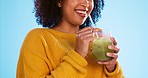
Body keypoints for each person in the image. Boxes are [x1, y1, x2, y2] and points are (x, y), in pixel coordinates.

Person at [16, 0, 124, 78]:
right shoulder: (38, 39)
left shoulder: (98, 39)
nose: (86, 3)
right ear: (59, 1)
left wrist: (112, 68)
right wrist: (78, 55)